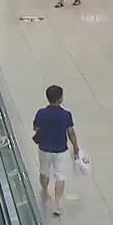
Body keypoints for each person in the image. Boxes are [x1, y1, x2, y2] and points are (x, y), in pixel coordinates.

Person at [33, 85, 80, 216]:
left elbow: (36, 128)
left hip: (44, 148)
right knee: (60, 175)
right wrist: (75, 146)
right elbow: (71, 132)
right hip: (60, 149)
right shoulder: (66, 115)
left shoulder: (41, 113)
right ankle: (57, 203)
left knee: (44, 171)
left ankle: (44, 190)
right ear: (60, 98)